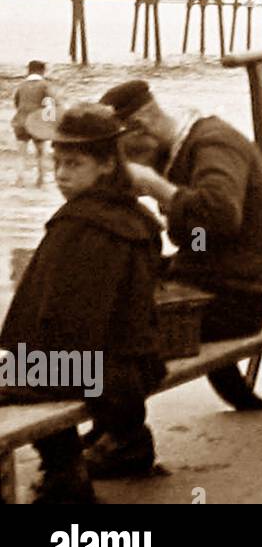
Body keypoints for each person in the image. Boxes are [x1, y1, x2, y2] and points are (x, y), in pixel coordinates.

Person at [0, 104, 166, 502]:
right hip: (135, 367)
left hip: (95, 371)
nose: (60, 174)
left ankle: (64, 469)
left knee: (17, 370)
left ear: (107, 164)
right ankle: (66, 470)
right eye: (57, 163)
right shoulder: (137, 217)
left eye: (74, 164)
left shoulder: (79, 225)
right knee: (23, 364)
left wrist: (19, 362)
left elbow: (60, 324)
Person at [100, 80, 262, 341]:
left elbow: (222, 215)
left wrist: (156, 186)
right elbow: (201, 241)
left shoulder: (214, 143)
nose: (125, 164)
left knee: (110, 332)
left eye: (126, 155)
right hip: (211, 282)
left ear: (141, 127)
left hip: (239, 301)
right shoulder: (183, 150)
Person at [11, 60, 55, 187]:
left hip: (20, 122)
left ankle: (20, 180)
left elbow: (17, 103)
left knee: (21, 154)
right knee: (41, 153)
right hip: (37, 124)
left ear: (29, 70)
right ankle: (41, 180)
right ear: (42, 71)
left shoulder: (21, 85)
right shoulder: (45, 85)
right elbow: (49, 105)